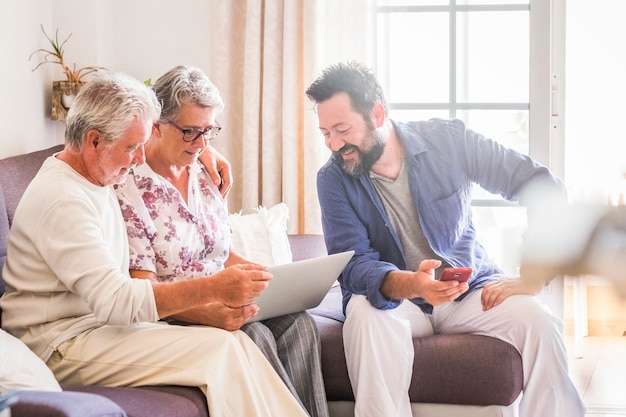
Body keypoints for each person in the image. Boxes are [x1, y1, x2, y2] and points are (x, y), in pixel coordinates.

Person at [0, 71, 309, 417]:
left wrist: (199, 147)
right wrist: (214, 288)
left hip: (99, 328)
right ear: (94, 141)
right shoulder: (64, 200)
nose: (139, 159)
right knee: (221, 350)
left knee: (233, 344)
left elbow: (159, 124)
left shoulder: (94, 168)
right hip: (59, 342)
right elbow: (116, 302)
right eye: (132, 148)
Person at [305, 61, 585, 417]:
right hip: (397, 301)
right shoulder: (332, 179)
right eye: (325, 133)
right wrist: (412, 284)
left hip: (467, 292)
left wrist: (534, 274)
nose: (334, 144)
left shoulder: (448, 141)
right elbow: (354, 265)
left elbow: (544, 187)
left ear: (377, 114)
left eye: (342, 129)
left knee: (539, 321)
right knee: (363, 313)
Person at [113, 65, 329, 417]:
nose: (201, 144)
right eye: (190, 132)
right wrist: (209, 311)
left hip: (225, 297)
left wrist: (272, 280)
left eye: (209, 131)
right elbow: (143, 289)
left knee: (300, 324)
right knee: (253, 336)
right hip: (179, 311)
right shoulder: (130, 188)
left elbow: (221, 254)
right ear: (156, 124)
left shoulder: (204, 171)